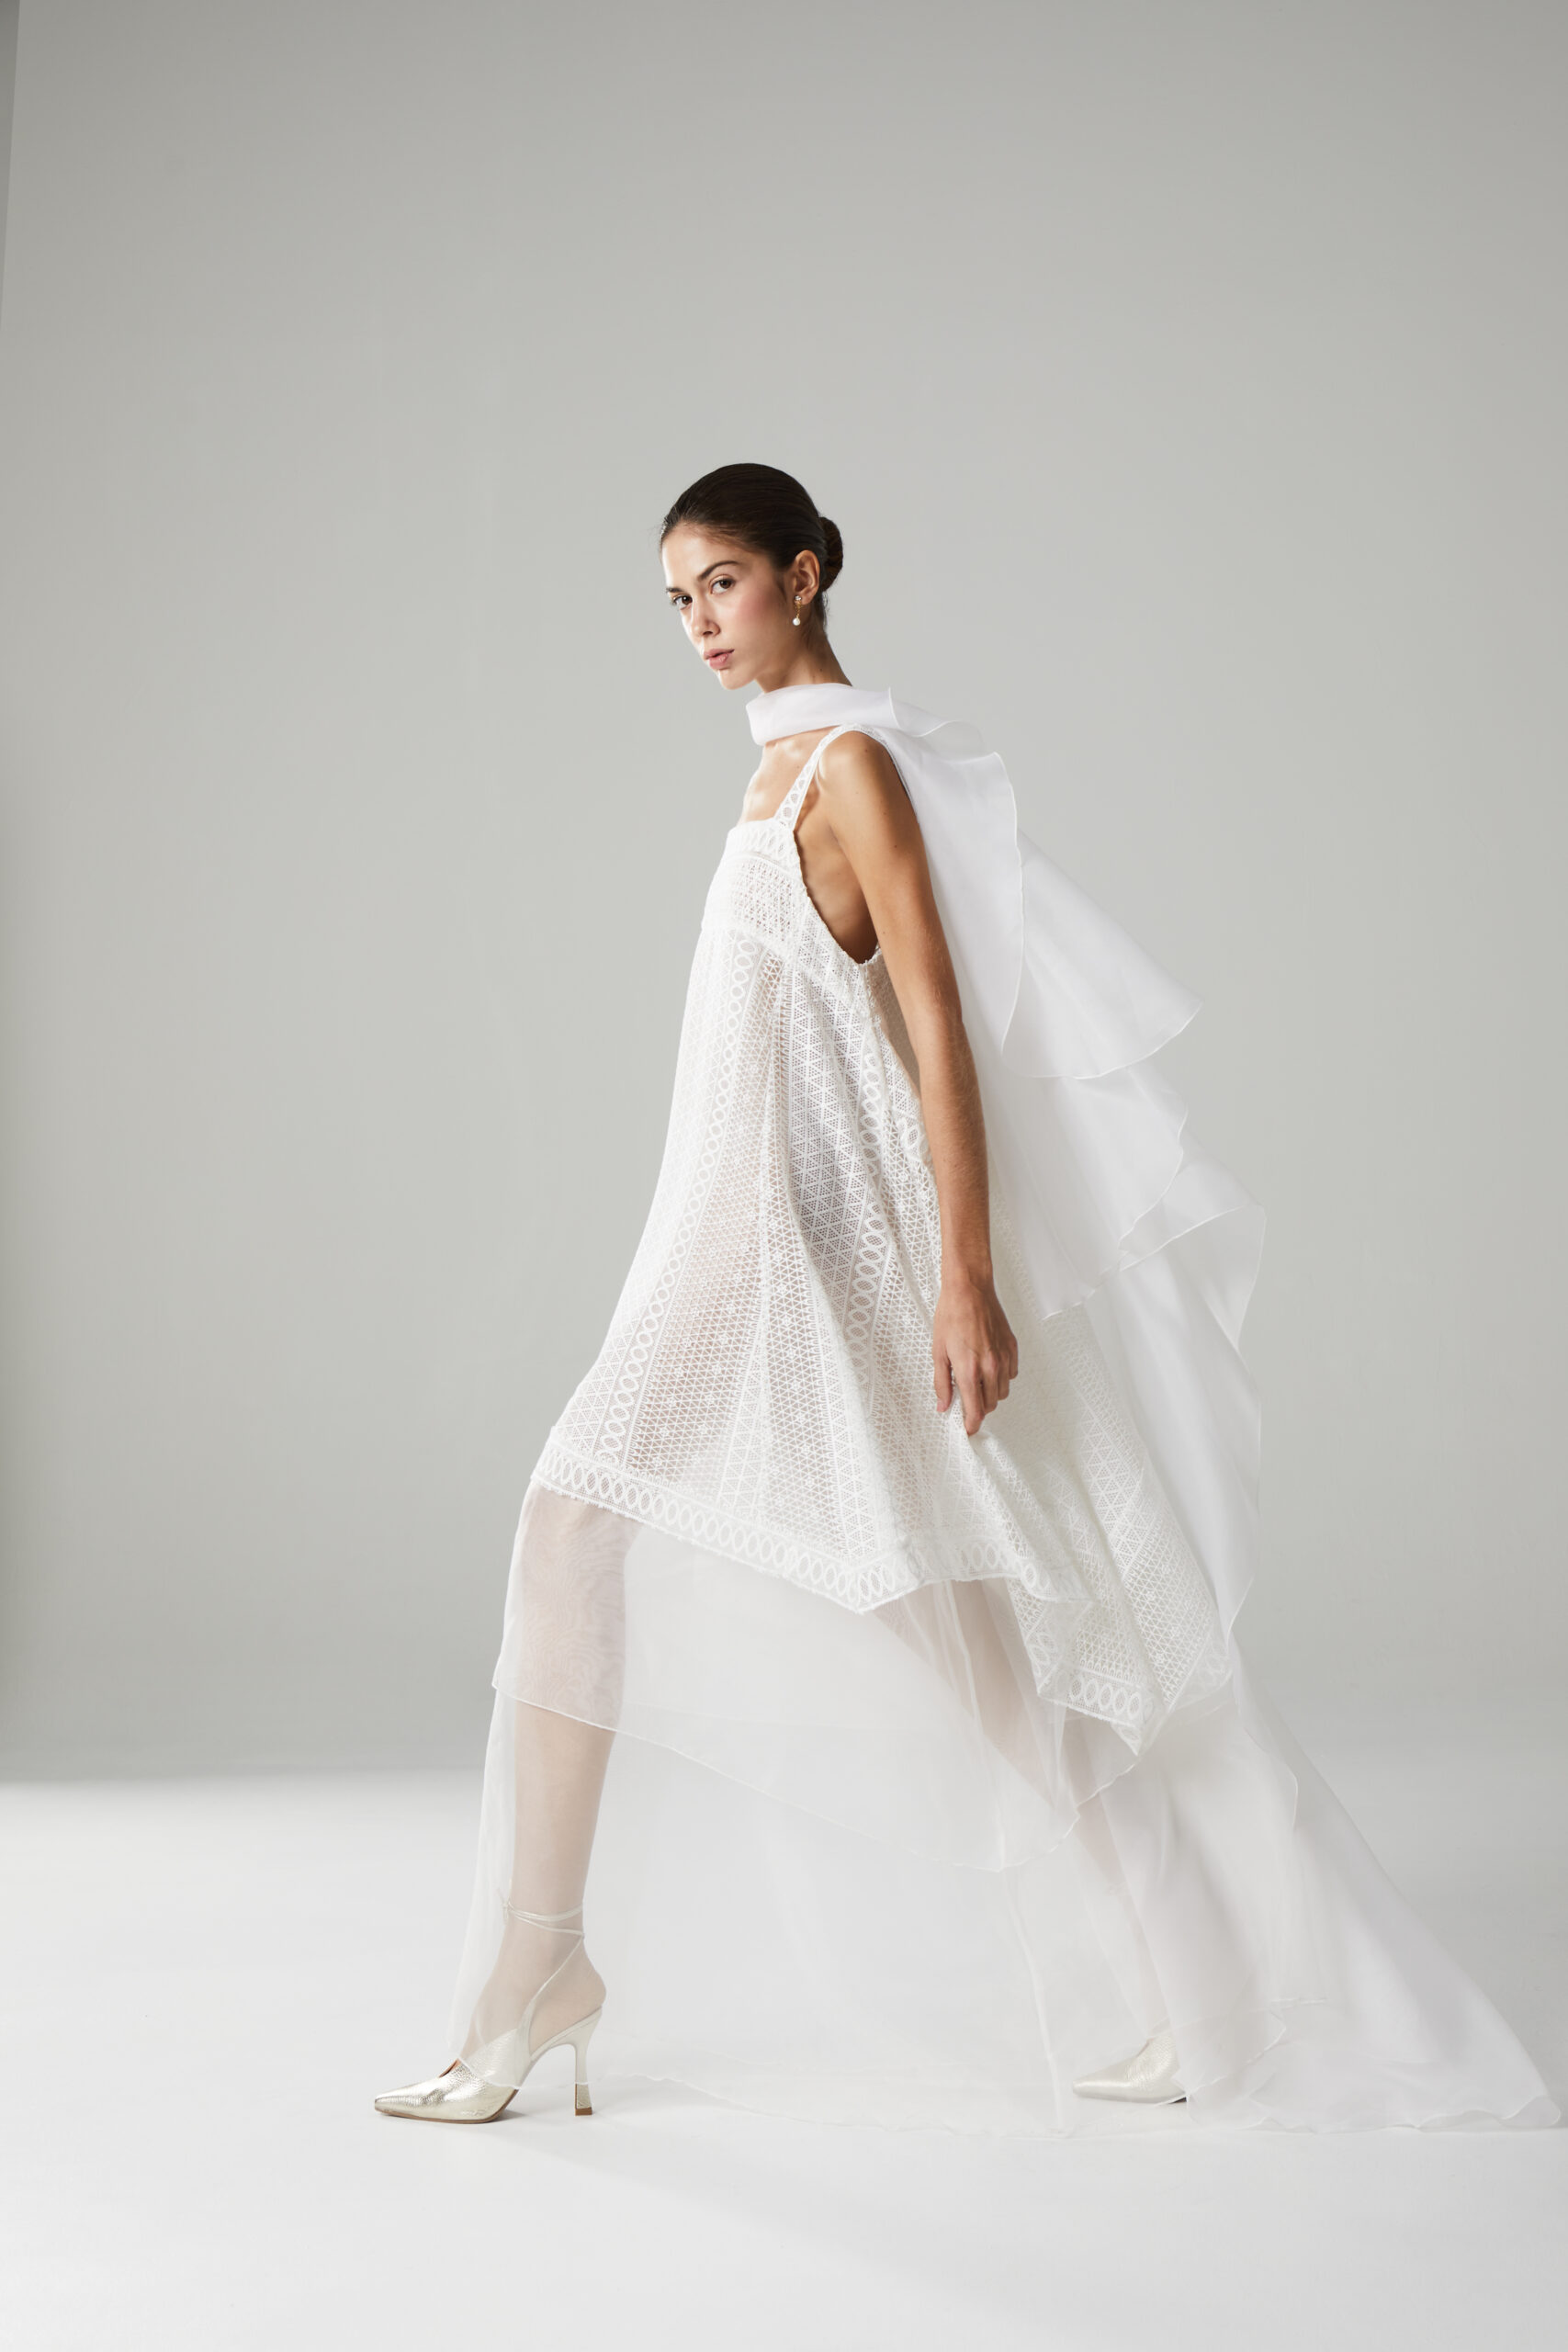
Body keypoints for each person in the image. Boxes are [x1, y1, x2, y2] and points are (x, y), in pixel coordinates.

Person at [375, 464, 1555, 2134]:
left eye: (722, 584)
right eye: (677, 600)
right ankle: (568, 1969)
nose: (698, 623)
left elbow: (935, 1022)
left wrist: (966, 1277)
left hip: (803, 1257)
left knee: (835, 1603)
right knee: (927, 1634)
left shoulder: (849, 769)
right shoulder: (772, 775)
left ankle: (544, 1973)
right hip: (736, 1244)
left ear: (804, 574)